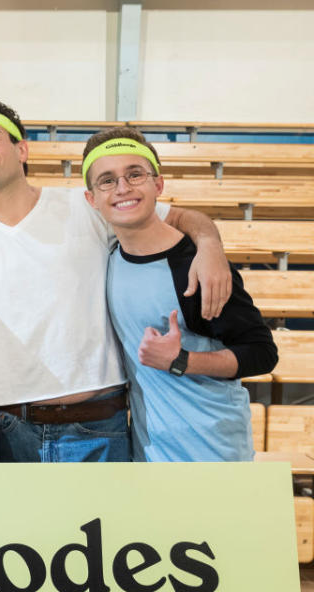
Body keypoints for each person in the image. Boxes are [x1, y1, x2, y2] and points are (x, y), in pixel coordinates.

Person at [0, 100, 234, 463]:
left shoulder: (86, 205)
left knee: (106, 523)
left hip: (98, 421)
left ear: (22, 149)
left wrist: (209, 244)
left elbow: (181, 217)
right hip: (7, 428)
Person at [82, 127, 277, 461]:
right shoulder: (111, 256)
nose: (123, 188)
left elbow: (261, 353)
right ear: (92, 199)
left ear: (158, 185)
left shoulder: (196, 267)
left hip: (214, 452)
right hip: (150, 453)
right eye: (107, 180)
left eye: (135, 175)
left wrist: (182, 361)